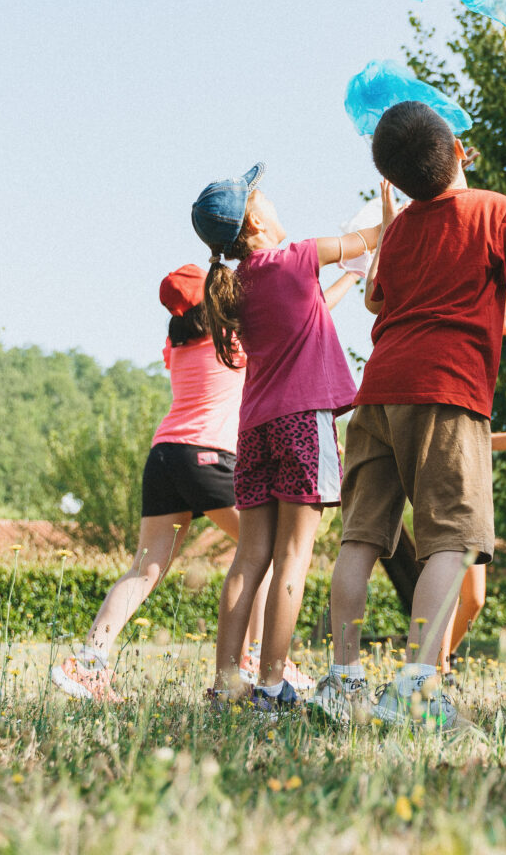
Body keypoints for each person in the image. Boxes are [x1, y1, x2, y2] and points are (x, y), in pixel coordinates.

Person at [315, 100, 506, 729]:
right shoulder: (494, 209)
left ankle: (343, 680)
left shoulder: (404, 226)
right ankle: (417, 687)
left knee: (361, 536)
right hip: (446, 390)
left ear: (395, 181)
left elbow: (373, 299)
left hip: (378, 388)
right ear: (459, 151)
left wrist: (389, 226)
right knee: (453, 539)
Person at [52, 264, 286, 702]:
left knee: (145, 570)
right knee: (266, 552)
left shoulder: (173, 346)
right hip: (207, 455)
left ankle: (89, 662)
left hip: (164, 455)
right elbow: (296, 321)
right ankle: (255, 660)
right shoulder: (233, 342)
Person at [194, 165, 376, 716]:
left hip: (255, 429)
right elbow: (374, 236)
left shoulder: (239, 284)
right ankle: (273, 685)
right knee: (294, 558)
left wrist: (350, 277)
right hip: (304, 425)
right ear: (254, 217)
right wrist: (394, 204)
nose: (272, 199)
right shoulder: (297, 254)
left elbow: (310, 312)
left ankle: (228, 681)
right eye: (262, 195)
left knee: (250, 558)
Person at [438, 391, 506, 672]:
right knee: (447, 596)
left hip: (473, 519)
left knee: (475, 599)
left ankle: (444, 655)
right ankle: (441, 668)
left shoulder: (478, 438)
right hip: (445, 519)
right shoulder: (439, 435)